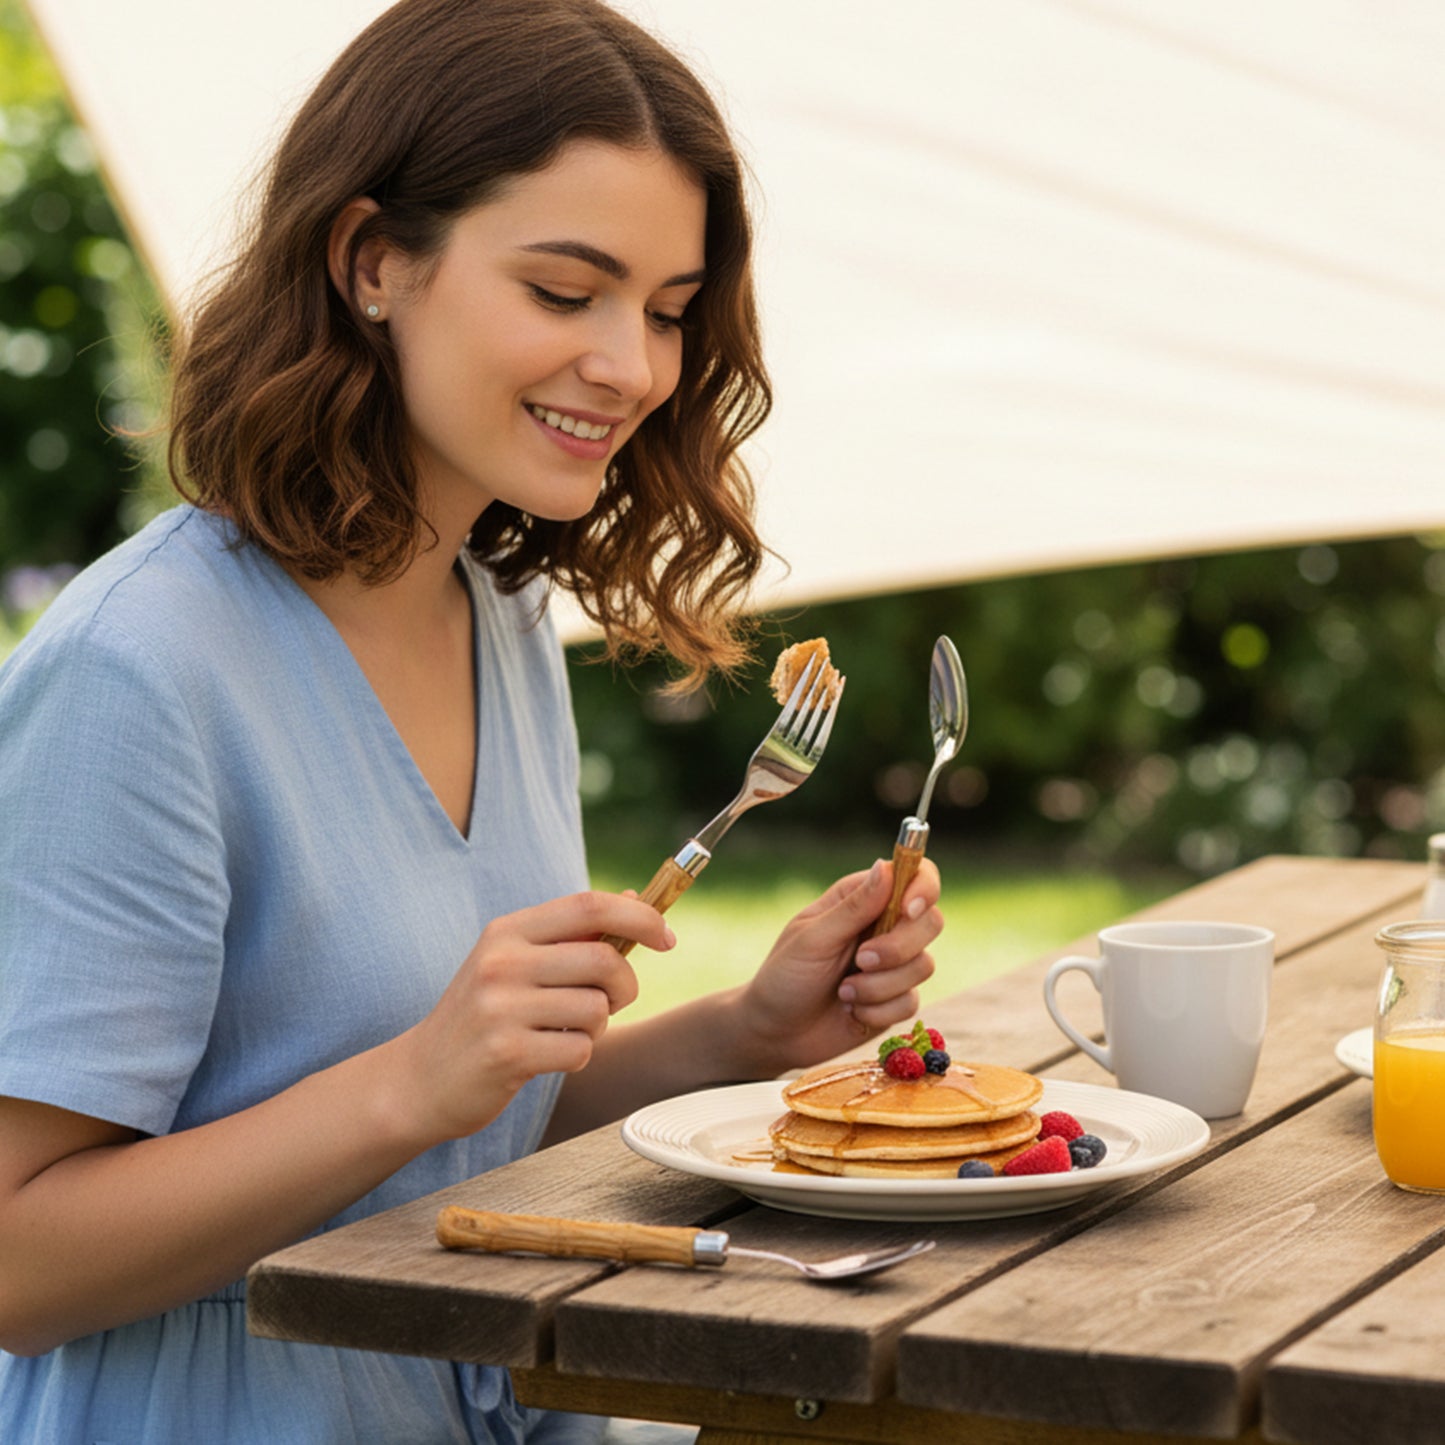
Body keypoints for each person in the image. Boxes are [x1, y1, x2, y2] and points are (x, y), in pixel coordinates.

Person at [0, 0, 943, 1440]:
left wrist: (743, 1031)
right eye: (567, 292)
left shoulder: (492, 611)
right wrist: (409, 1079)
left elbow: (470, 1112)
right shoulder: (140, 672)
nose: (630, 364)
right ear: (373, 261)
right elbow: (15, 1263)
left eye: (670, 311)